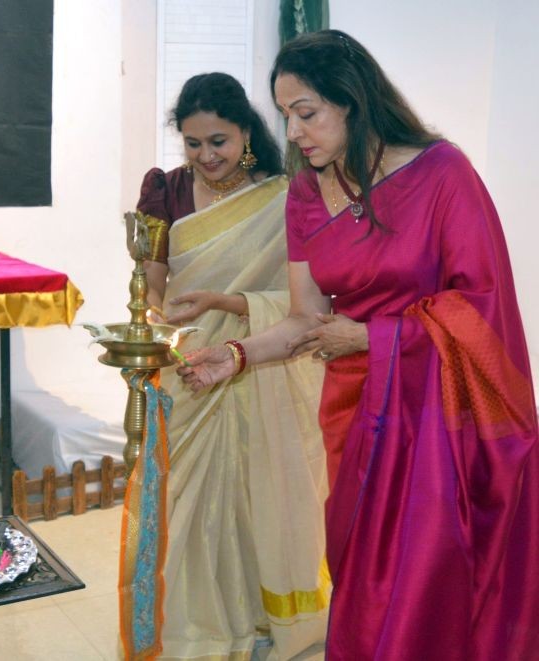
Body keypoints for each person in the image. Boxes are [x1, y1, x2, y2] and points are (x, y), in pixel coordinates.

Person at [179, 30, 539, 659]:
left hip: (440, 418)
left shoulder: (442, 173)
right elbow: (304, 322)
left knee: (428, 579)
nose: (293, 132)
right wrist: (235, 356)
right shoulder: (303, 194)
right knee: (365, 579)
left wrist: (377, 335)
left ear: (353, 100)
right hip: (358, 410)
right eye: (286, 115)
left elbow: (480, 305)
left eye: (307, 113)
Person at [122, 72, 329, 661]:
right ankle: (196, 627)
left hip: (263, 355)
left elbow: (300, 301)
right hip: (186, 360)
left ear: (246, 133)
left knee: (260, 492)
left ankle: (265, 619)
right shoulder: (164, 192)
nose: (207, 156)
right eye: (193, 143)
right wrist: (158, 324)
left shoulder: (286, 193)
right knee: (185, 499)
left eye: (219, 141)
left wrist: (225, 303)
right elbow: (153, 284)